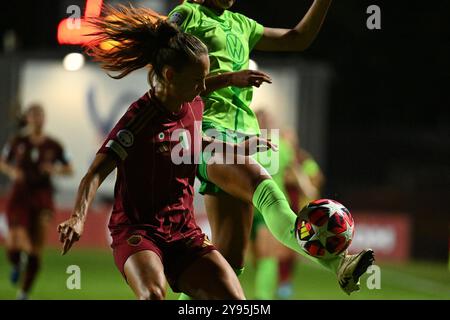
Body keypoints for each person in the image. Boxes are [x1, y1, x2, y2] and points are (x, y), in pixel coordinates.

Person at [57, 5, 275, 300]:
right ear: (170, 75)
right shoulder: (139, 119)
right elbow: (95, 173)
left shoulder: (193, 106)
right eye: (198, 80)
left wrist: (238, 149)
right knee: (152, 296)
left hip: (184, 234)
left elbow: (196, 145)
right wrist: (78, 218)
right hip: (139, 232)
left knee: (236, 303)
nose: (202, 87)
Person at [168, 0, 374, 297]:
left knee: (228, 262)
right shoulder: (187, 14)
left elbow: (297, 38)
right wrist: (228, 79)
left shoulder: (242, 24)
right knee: (264, 189)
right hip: (204, 132)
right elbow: (165, 73)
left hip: (242, 139)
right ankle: (337, 263)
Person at [0, 104, 73, 300]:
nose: (37, 118)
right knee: (14, 247)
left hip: (42, 197)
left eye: (40, 114)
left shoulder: (54, 145)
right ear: (28, 119)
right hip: (19, 197)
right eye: (33, 115)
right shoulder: (17, 141)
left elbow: (70, 168)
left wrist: (55, 170)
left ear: (44, 118)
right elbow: (3, 161)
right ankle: (17, 263)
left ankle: (23, 294)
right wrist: (12, 171)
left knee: (35, 250)